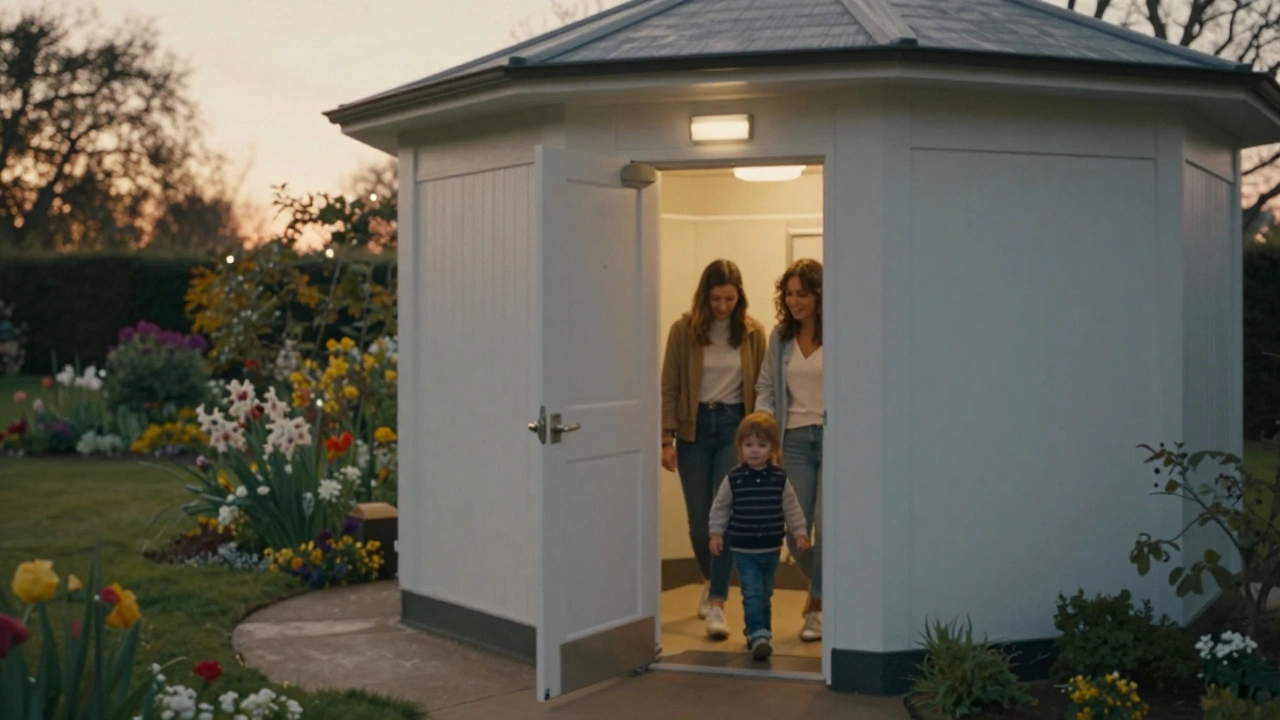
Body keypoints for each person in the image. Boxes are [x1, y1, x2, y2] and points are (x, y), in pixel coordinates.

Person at [660, 259, 767, 639]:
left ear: (740, 298)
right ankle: (709, 578)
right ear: (704, 297)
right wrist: (665, 438)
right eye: (717, 299)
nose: (723, 307)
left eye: (730, 299)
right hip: (695, 429)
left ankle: (718, 602)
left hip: (735, 429)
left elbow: (762, 386)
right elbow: (669, 385)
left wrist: (762, 437)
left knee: (725, 515)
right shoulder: (683, 331)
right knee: (699, 518)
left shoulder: (753, 334)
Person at [755, 258, 824, 642]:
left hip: (834, 440)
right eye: (789, 294)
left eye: (803, 293)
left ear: (819, 295)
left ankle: (816, 607)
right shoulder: (780, 338)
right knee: (794, 532)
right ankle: (834, 590)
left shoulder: (840, 330)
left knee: (828, 528)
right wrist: (763, 426)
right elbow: (766, 386)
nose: (795, 301)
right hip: (793, 440)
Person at [708, 411, 811, 660]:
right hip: (744, 549)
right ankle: (758, 634)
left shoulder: (779, 479)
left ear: (773, 448)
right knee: (752, 591)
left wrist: (800, 533)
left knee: (765, 592)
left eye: (762, 445)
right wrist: (716, 533)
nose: (755, 450)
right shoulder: (734, 479)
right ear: (740, 447)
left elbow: (792, 507)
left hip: (771, 548)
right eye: (749, 444)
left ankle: (758, 630)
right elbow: (720, 507)